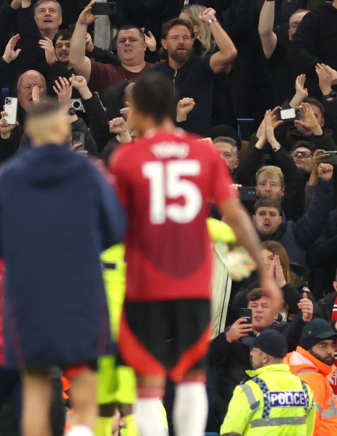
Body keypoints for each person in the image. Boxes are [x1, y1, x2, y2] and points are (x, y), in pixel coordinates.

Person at [109, 73, 280, 436]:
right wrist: (264, 276)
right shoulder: (203, 153)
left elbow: (113, 224)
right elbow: (234, 215)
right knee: (191, 381)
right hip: (193, 284)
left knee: (148, 386)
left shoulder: (127, 157)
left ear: (140, 110)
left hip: (146, 286)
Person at [0, 100, 126, 436]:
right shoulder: (89, 172)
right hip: (82, 292)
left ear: (28, 130)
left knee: (35, 392)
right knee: (86, 380)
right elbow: (116, 230)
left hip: (26, 298)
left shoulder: (8, 176)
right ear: (63, 129)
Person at [219, 329, 315, 436]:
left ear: (264, 358)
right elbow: (309, 431)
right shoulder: (304, 389)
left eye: (254, 350)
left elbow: (230, 432)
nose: (251, 353)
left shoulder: (250, 390)